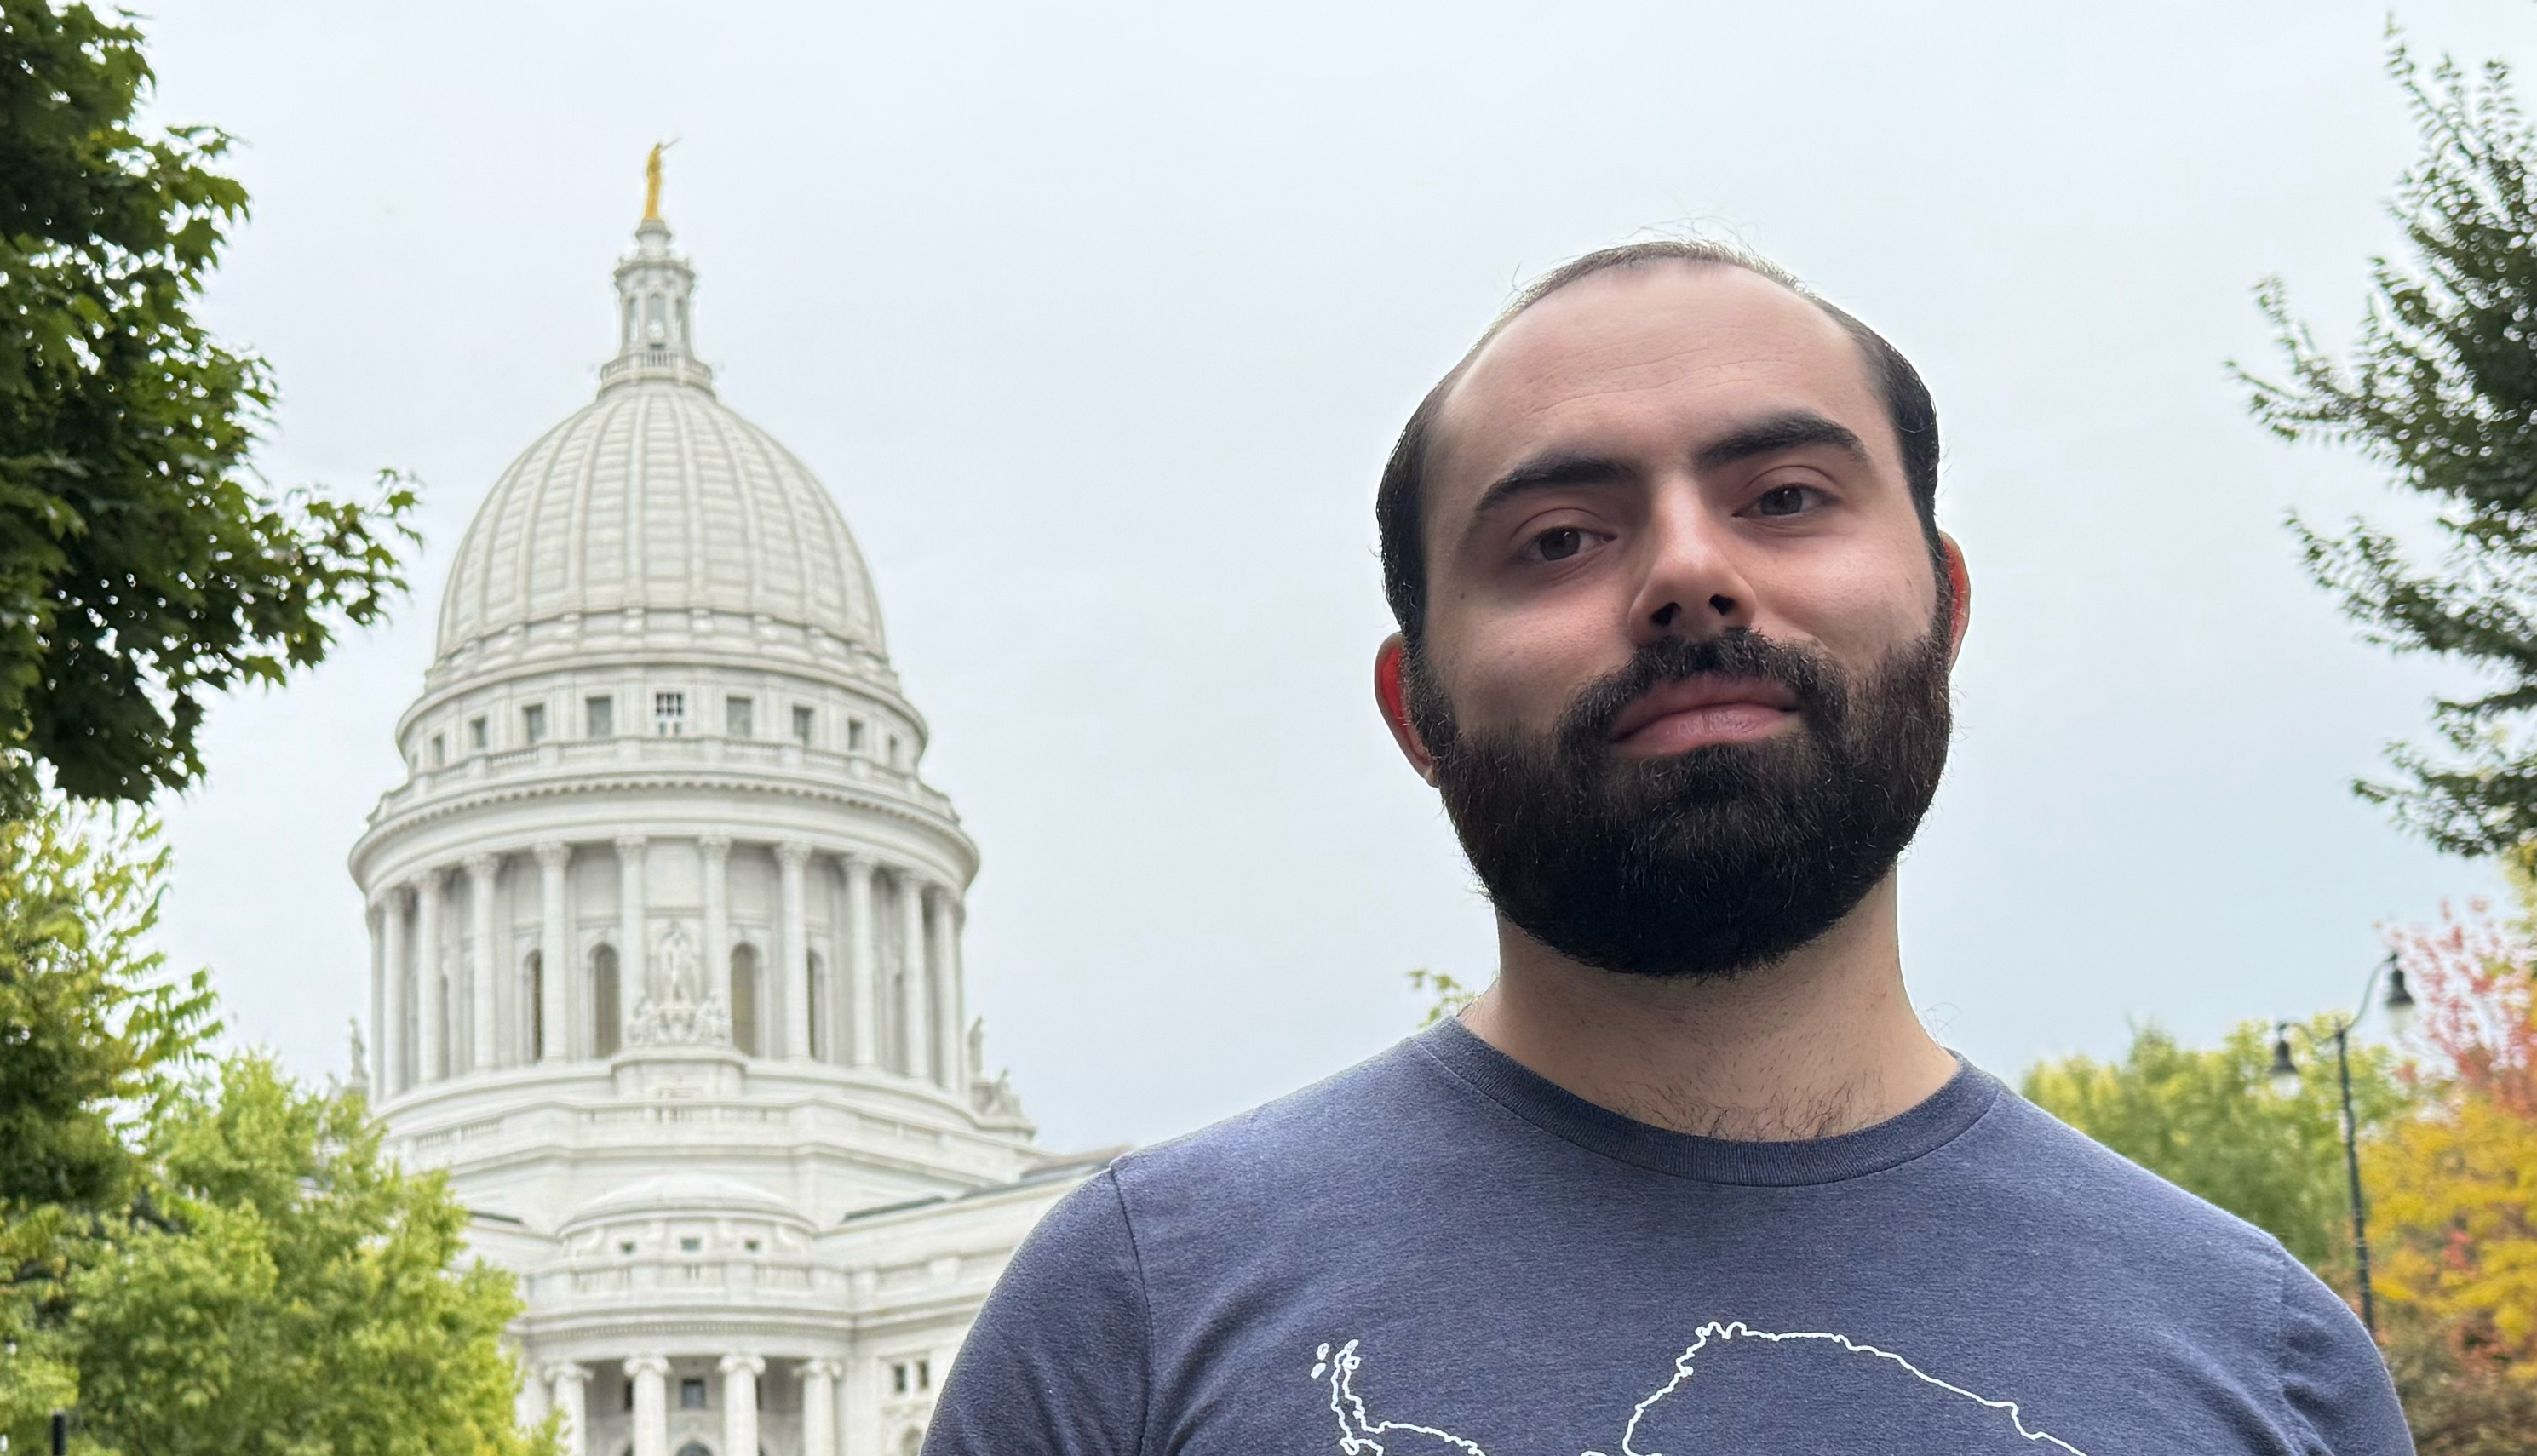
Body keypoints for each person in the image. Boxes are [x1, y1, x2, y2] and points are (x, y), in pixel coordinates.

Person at [922, 241, 2411, 1454]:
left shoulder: (2268, 1368)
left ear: (1947, 613)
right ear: (1416, 708)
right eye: (1559, 538)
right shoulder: (1130, 1318)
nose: (1691, 575)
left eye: (1784, 498)